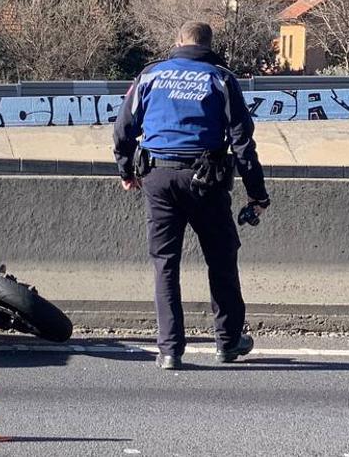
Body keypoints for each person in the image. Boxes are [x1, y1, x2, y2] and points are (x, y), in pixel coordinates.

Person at [112, 21, 270, 370]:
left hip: (158, 177)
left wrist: (126, 170)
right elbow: (243, 143)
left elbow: (123, 128)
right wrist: (257, 193)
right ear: (209, 44)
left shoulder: (150, 75)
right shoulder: (221, 78)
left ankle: (169, 350)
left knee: (165, 263)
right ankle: (227, 342)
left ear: (178, 41)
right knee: (221, 258)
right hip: (207, 180)